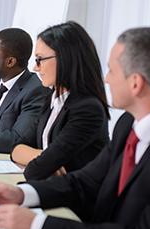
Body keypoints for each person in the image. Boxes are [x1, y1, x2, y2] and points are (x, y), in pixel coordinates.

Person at [0, 26, 150, 229]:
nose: (106, 79)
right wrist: (22, 194)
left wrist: (36, 227)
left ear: (135, 83)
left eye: (112, 71)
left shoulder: (92, 109)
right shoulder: (128, 124)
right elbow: (85, 181)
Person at [11, 21, 109, 180]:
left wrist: (43, 160)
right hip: (52, 190)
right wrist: (44, 157)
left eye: (39, 59)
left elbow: (36, 170)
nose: (36, 68)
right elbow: (16, 148)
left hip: (75, 201)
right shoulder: (53, 98)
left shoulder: (88, 109)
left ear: (65, 58)